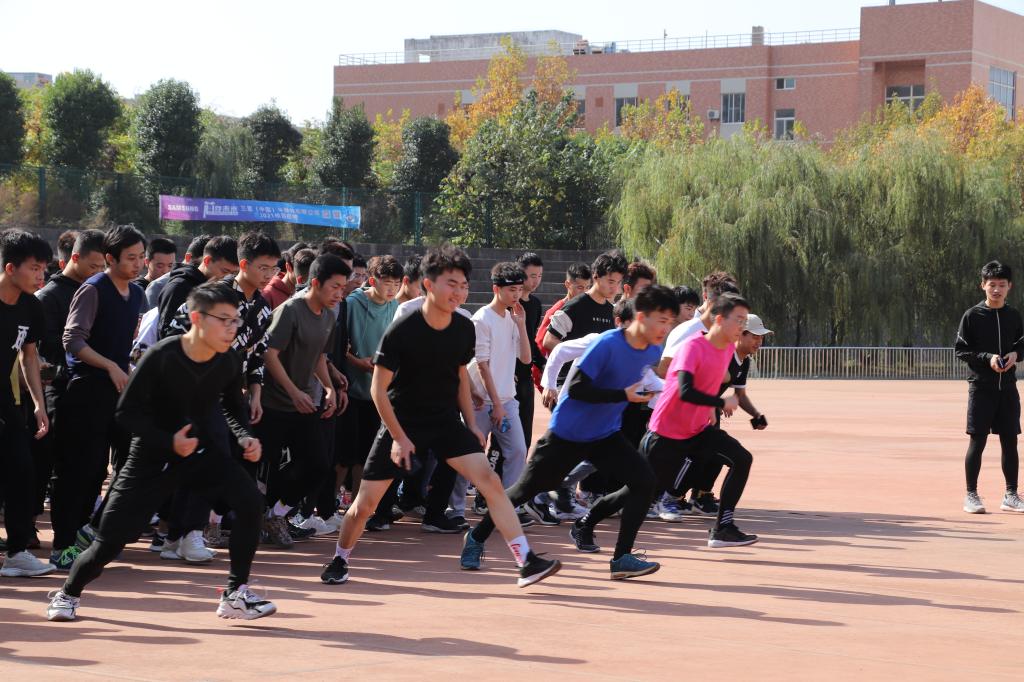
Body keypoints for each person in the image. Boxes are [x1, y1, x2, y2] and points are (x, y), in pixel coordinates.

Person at [322, 246, 561, 588]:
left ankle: (525, 560)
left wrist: (471, 424)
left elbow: (460, 376)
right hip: (403, 423)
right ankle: (340, 559)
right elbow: (378, 390)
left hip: (445, 421)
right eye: (451, 284)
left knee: (490, 482)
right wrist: (398, 437)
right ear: (428, 285)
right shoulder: (403, 329)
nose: (459, 292)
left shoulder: (463, 327)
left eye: (464, 285)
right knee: (365, 506)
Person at [46, 281, 275, 622]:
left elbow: (232, 405)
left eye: (235, 321)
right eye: (224, 320)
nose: (232, 328)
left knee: (250, 502)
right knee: (109, 542)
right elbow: (126, 413)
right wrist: (169, 442)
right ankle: (68, 594)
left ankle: (235, 594)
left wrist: (244, 437)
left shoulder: (228, 359)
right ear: (197, 318)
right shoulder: (162, 356)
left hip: (200, 452)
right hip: (151, 458)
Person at [463, 285, 679, 580]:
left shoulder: (652, 350)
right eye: (661, 320)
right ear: (641, 316)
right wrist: (623, 395)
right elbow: (577, 389)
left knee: (645, 481)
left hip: (605, 435)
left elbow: (641, 379)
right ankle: (476, 538)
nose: (665, 329)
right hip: (567, 434)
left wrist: (663, 391)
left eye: (670, 322)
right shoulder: (606, 344)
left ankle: (621, 558)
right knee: (524, 490)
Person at [603, 292, 759, 550]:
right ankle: (587, 522)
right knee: (639, 490)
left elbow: (712, 380)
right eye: (739, 320)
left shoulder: (728, 348)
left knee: (742, 458)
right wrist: (719, 403)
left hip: (697, 430)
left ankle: (723, 529)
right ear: (720, 319)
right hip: (666, 433)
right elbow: (685, 390)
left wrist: (711, 407)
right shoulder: (691, 344)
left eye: (745, 321)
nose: (742, 327)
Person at [49, 225, 147, 571]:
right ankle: (63, 545)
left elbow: (124, 346)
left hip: (118, 391)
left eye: (141, 257)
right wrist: (109, 366)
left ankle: (91, 531)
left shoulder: (136, 294)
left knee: (132, 462)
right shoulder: (93, 289)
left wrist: (128, 369)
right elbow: (73, 340)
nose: (138, 264)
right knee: (80, 470)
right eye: (131, 258)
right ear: (110, 258)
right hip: (86, 389)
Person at [257, 254, 347, 547]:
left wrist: (328, 387)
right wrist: (293, 391)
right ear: (316, 283)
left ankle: (276, 515)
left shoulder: (330, 315)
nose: (339, 294)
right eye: (334, 287)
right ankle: (232, 521)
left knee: (318, 465)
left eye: (343, 288)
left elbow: (319, 356)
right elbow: (269, 355)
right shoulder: (290, 310)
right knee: (263, 467)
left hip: (305, 404)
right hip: (272, 404)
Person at [31, 229, 106, 540]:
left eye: (103, 266)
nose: (98, 271)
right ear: (74, 258)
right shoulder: (49, 296)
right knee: (51, 462)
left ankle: (80, 527)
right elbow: (44, 347)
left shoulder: (101, 289)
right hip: (59, 389)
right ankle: (34, 529)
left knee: (92, 465)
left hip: (92, 390)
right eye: (93, 265)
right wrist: (79, 358)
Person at [454, 263, 533, 525]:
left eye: (519, 290)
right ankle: (455, 509)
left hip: (507, 400)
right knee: (470, 455)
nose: (517, 295)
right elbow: (483, 365)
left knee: (518, 451)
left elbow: (525, 358)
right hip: (480, 402)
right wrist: (496, 404)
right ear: (496, 289)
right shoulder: (482, 319)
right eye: (512, 290)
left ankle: (506, 507)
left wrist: (521, 325)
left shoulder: (512, 318)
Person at [0, 229, 57, 578]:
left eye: (44, 268)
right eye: (35, 268)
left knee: (22, 469)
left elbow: (29, 355)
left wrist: (39, 404)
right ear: (11, 268)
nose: (41, 276)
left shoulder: (31, 306)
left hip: (6, 401)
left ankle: (18, 552)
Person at [955, 260, 1024, 514]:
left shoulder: (1013, 315)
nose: (996, 290)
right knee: (978, 441)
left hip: (1008, 388)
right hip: (981, 388)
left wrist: (1015, 355)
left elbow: (1022, 344)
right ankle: (971, 495)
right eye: (992, 284)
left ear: (1009, 287)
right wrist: (988, 358)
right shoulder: (972, 316)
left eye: (1001, 285)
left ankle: (1011, 495)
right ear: (982, 285)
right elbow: (961, 350)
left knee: (1010, 442)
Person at [344, 255, 403, 531]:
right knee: (349, 455)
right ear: (372, 280)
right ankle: (343, 507)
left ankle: (365, 508)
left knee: (370, 452)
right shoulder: (351, 304)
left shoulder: (396, 307)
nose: (392, 289)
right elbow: (337, 347)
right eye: (387, 283)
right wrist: (358, 362)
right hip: (351, 389)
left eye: (396, 284)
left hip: (380, 393)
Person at [157, 235, 238, 338]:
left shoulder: (220, 290)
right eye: (225, 271)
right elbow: (166, 333)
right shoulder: (179, 287)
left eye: (233, 273)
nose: (228, 277)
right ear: (207, 260)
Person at [535, 262, 591, 359]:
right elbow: (542, 343)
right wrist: (576, 352)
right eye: (580, 287)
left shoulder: (586, 307)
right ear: (567, 284)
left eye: (588, 287)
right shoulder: (557, 310)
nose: (584, 292)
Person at [144, 234, 211, 312]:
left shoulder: (210, 287)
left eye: (170, 265)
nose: (165, 270)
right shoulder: (158, 286)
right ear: (188, 258)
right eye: (202, 264)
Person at [262, 241, 308, 311]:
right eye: (302, 269)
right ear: (288, 267)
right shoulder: (268, 294)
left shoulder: (307, 294)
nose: (307, 276)